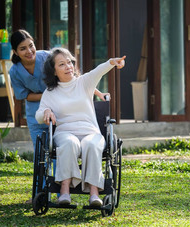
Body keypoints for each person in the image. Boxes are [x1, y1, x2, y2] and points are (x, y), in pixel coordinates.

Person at [35, 47, 125, 206]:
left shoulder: (84, 83)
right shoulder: (50, 93)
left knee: (91, 144)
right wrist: (46, 112)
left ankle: (94, 193)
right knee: (70, 143)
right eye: (61, 64)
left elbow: (98, 71)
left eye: (69, 62)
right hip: (64, 133)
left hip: (90, 132)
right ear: (54, 71)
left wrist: (112, 62)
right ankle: (64, 191)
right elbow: (39, 115)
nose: (68, 66)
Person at [9, 29, 109, 152]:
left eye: (31, 46)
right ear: (15, 52)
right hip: (36, 112)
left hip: (59, 111)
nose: (29, 51)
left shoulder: (48, 57)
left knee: (59, 150)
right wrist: (51, 94)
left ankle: (59, 172)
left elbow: (76, 81)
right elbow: (24, 95)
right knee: (39, 151)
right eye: (23, 48)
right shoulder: (14, 71)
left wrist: (98, 93)